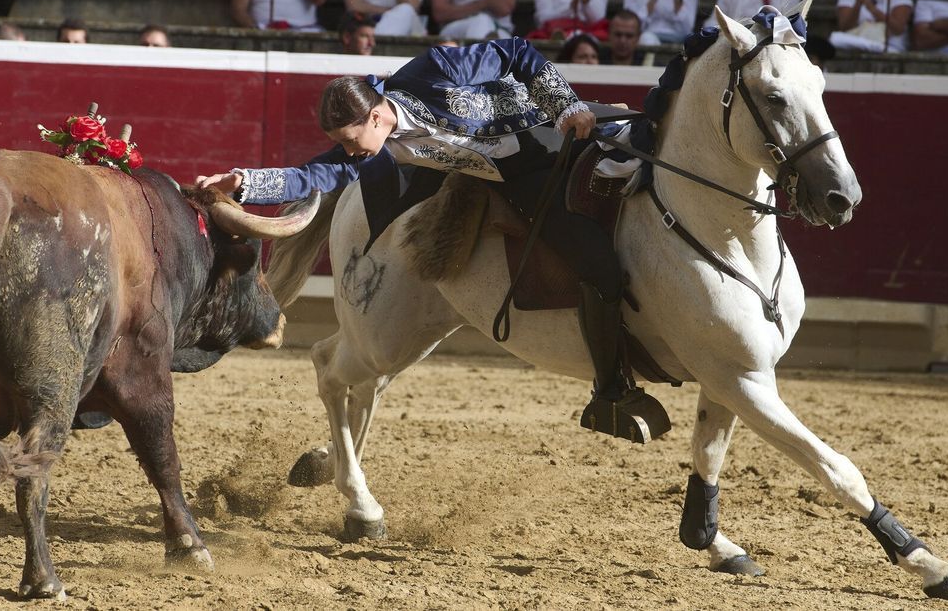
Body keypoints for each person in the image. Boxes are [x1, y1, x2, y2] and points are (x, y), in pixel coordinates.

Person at [196, 37, 669, 443]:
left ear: (378, 116)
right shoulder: (367, 147)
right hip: (512, 178)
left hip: (552, 134)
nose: (349, 150)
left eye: (350, 139)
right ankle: (609, 391)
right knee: (591, 259)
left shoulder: (432, 70)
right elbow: (311, 176)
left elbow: (514, 52)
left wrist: (565, 103)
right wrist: (242, 181)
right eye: (342, 142)